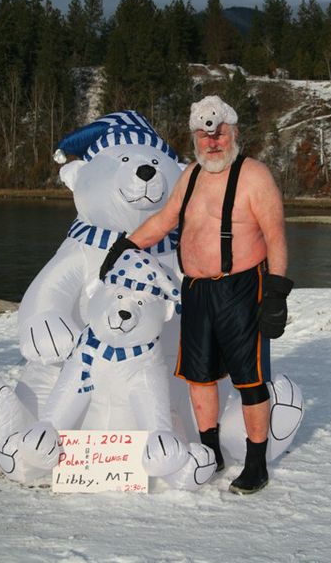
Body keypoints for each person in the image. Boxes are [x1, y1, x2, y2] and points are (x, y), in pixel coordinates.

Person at [100, 95, 293, 494]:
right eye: (205, 136)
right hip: (197, 291)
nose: (213, 141)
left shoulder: (255, 176)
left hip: (243, 287)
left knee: (250, 380)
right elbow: (164, 220)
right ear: (194, 138)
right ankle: (209, 451)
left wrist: (276, 293)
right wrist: (123, 248)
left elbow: (276, 235)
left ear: (234, 132)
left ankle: (256, 462)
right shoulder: (190, 176)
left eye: (220, 132)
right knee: (199, 376)